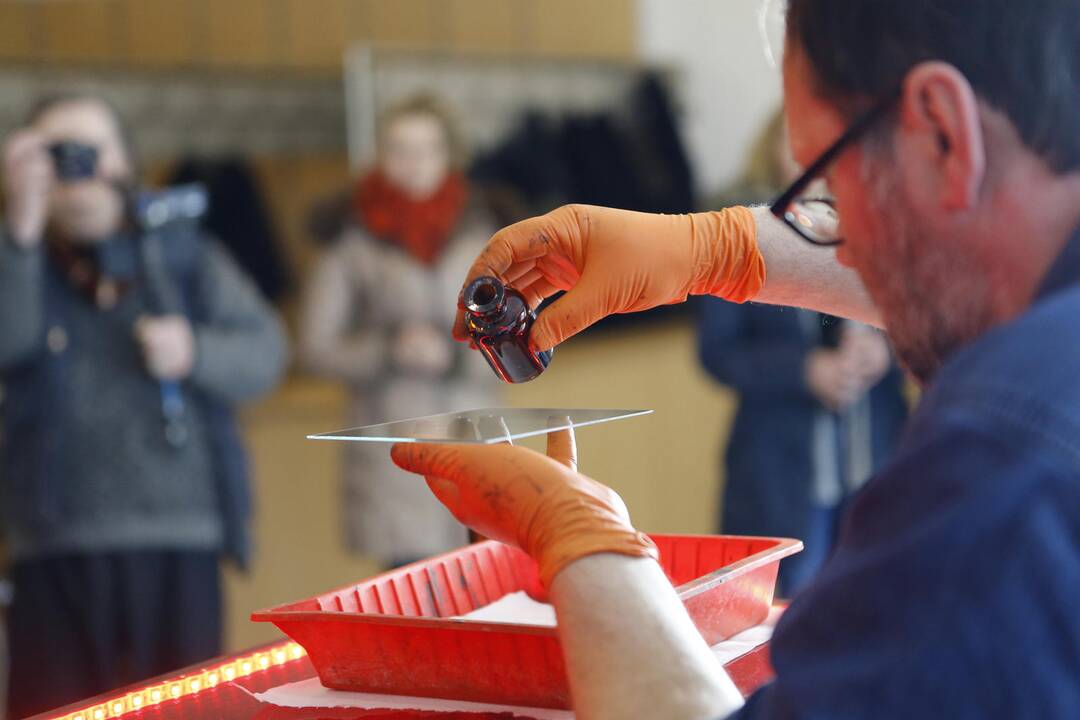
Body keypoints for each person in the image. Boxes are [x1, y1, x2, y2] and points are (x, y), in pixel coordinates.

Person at [390, 0, 1080, 717]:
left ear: (942, 129)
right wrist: (717, 248)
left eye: (831, 193)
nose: (842, 249)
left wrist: (581, 542)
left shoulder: (1007, 463)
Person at [0, 94, 287, 718]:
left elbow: (266, 352)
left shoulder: (184, 256)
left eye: (90, 150)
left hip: (179, 537)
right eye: (57, 153)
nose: (76, 169)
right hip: (53, 543)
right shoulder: (16, 256)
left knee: (184, 710)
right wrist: (19, 230)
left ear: (125, 161)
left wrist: (195, 351)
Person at [700, 110, 908, 596]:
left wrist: (888, 349)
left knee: (870, 607)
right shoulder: (739, 231)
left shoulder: (886, 222)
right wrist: (802, 369)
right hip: (780, 467)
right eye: (796, 144)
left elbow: (938, 317)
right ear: (772, 148)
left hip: (874, 459)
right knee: (776, 610)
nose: (811, 161)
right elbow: (716, 352)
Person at [299, 94, 498, 567]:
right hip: (397, 453)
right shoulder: (351, 241)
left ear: (449, 156)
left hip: (480, 446)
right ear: (380, 156)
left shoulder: (486, 233)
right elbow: (314, 346)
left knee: (488, 594)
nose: (412, 164)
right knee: (414, 601)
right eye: (399, 149)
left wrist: (454, 355)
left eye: (426, 149)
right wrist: (388, 350)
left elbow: (526, 341)